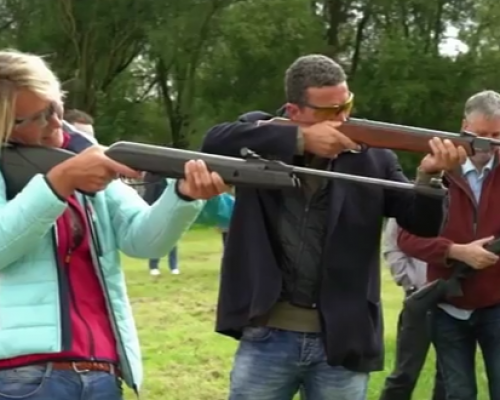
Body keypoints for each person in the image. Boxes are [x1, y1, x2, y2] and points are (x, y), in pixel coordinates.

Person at [200, 53, 466, 400]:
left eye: (347, 105)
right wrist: (300, 141)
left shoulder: (375, 157)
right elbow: (213, 142)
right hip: (267, 333)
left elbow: (422, 223)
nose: (343, 118)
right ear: (294, 111)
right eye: (328, 112)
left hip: (343, 337)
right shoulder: (259, 138)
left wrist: (430, 176)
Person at [0, 49, 227, 400]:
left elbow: (144, 240)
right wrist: (57, 184)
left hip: (101, 368)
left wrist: (183, 195)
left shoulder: (80, 158)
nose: (57, 124)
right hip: (21, 375)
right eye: (39, 117)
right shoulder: (64, 169)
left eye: (56, 108)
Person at [397, 90, 500, 400]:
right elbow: (407, 237)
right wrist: (456, 251)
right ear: (463, 127)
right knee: (458, 393)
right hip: (447, 305)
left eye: (497, 135)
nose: (489, 143)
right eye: (480, 135)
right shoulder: (436, 170)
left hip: (497, 304)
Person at [379, 218, 445, 400]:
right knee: (405, 373)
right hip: (419, 300)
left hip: (455, 300)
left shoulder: (465, 198)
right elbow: (392, 246)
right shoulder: (411, 201)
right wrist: (411, 283)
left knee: (448, 377)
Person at [143, 172, 181, 275]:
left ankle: (173, 266)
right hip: (156, 209)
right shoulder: (153, 176)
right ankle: (154, 265)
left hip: (173, 209)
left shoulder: (176, 176)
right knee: (156, 237)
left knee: (173, 238)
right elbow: (149, 193)